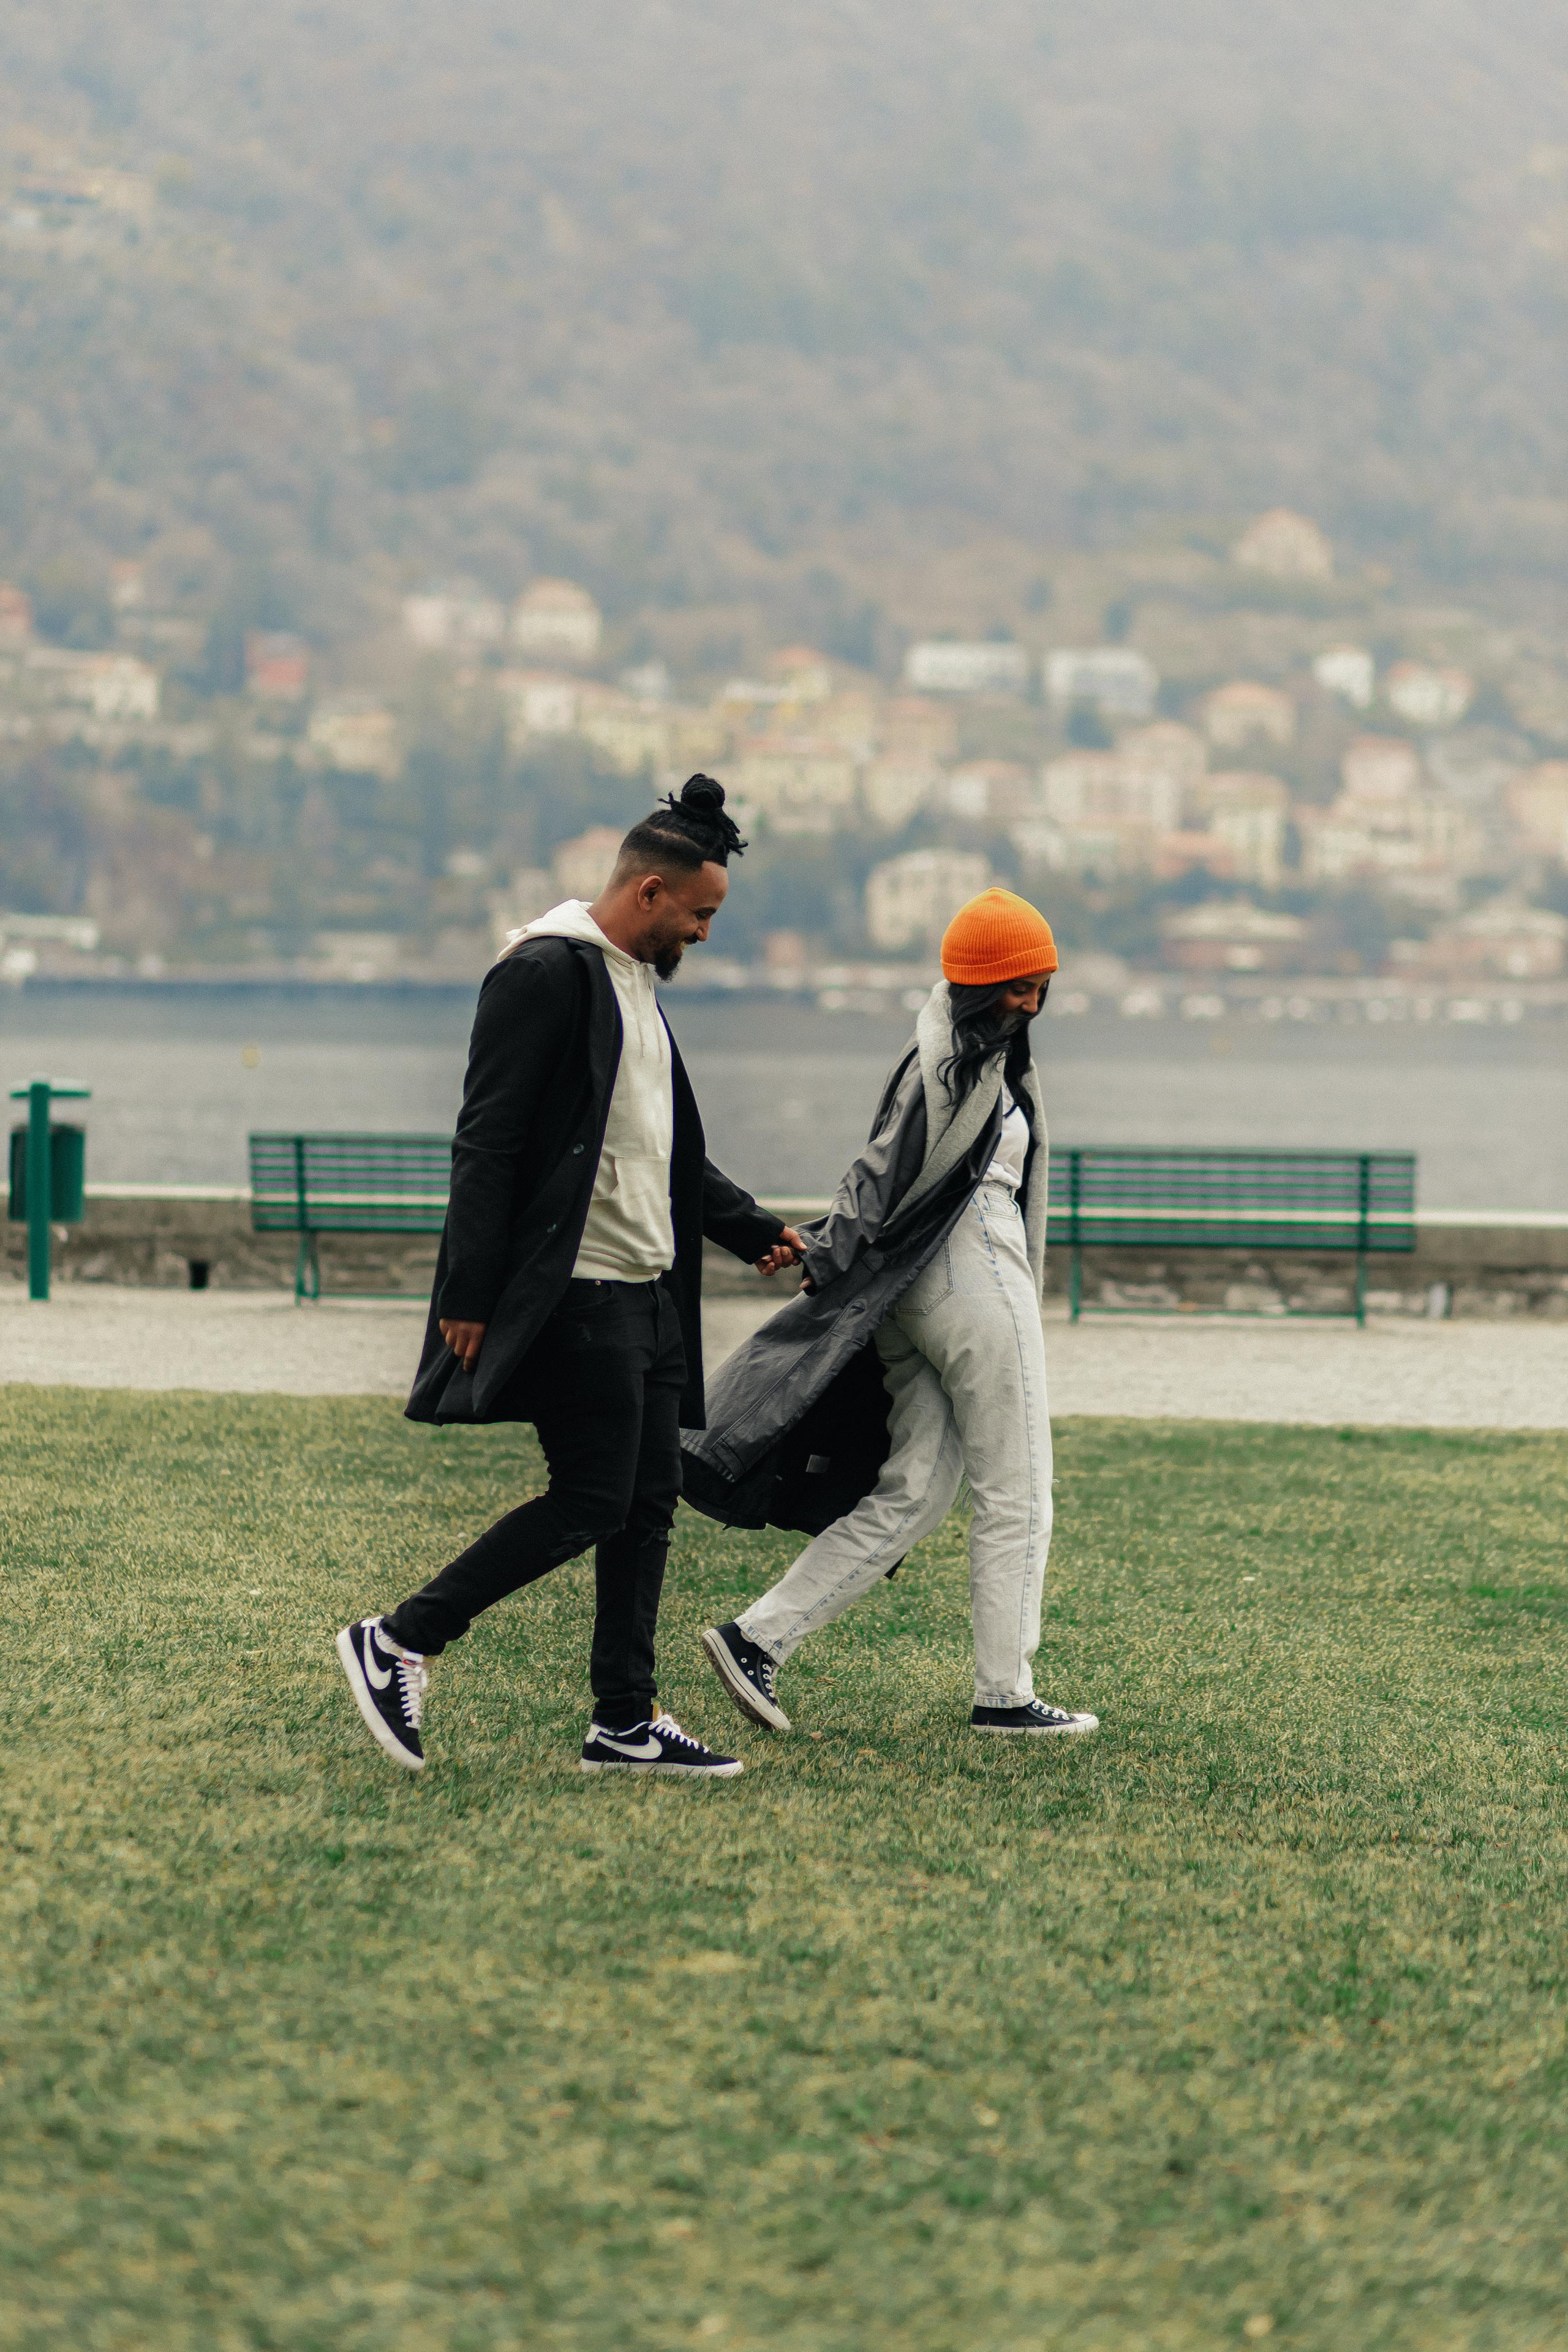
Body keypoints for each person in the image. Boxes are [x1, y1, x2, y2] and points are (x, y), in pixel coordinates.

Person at [336, 776, 805, 1780]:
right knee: (592, 1497)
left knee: (647, 1503)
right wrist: (465, 1292)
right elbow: (489, 1141)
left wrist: (752, 1230)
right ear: (647, 893)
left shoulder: (635, 985)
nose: (706, 934)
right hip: (578, 1292)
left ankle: (624, 1722)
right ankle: (401, 1638)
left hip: (648, 1293)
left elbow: (659, 1149)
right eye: (701, 914)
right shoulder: (545, 975)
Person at [684, 887, 1098, 1741]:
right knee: (1019, 1488)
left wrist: (837, 1253)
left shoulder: (958, 1049)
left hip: (920, 1285)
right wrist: (830, 1250)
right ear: (979, 984)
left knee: (915, 1491)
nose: (1030, 1000)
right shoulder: (958, 1062)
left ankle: (757, 1637)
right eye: (1017, 984)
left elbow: (887, 1169)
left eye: (1039, 983)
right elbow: (884, 1165)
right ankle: (1005, 1694)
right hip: (973, 1265)